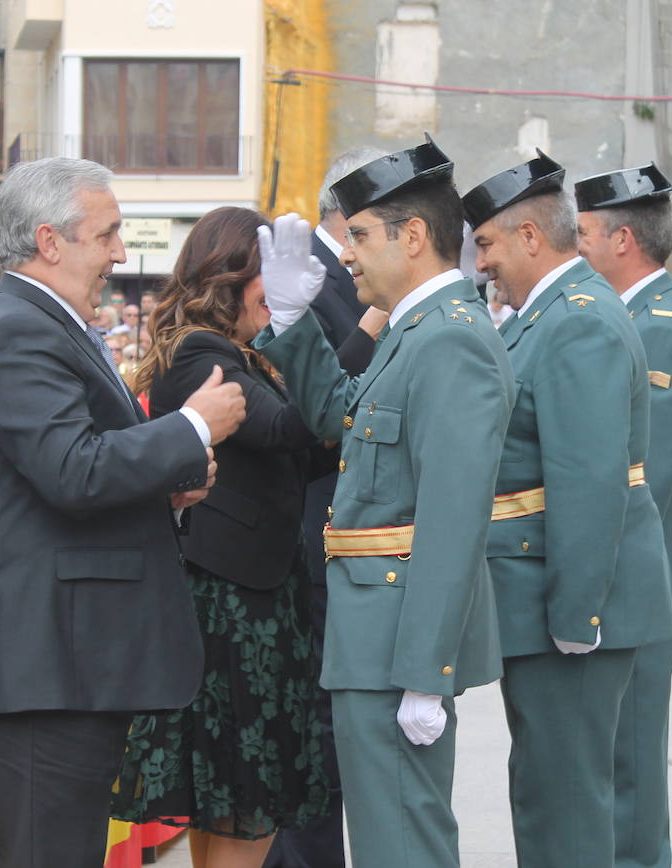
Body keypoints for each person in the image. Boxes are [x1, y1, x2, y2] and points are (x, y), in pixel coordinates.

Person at [0, 157, 245, 868]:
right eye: (107, 235)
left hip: (64, 656)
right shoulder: (23, 328)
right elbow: (72, 470)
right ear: (50, 241)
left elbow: (62, 475)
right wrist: (192, 427)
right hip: (44, 659)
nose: (118, 253)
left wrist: (162, 489)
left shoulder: (47, 321)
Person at [253, 137, 514, 868]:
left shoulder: (448, 342)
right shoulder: (417, 333)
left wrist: (425, 674)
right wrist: (294, 323)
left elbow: (453, 523)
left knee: (402, 840)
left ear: (415, 236)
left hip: (397, 639)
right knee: (383, 837)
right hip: (374, 633)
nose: (349, 255)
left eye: (360, 237)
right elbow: (341, 417)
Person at [468, 153, 672, 867]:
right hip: (543, 607)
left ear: (530, 236)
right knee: (547, 796)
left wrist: (574, 616)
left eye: (488, 244)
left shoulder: (577, 320)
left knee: (568, 812)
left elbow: (589, 484)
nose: (483, 262)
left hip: (572, 616)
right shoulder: (548, 315)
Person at [113, 207, 332, 867]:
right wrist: (370, 325)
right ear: (231, 274)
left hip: (260, 592)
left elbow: (309, 450)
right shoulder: (197, 352)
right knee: (246, 805)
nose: (281, 290)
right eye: (272, 275)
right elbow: (285, 430)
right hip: (232, 608)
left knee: (235, 807)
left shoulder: (245, 351)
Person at [571, 162, 672, 868]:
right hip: (633, 581)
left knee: (628, 766)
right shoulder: (633, 318)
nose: (576, 245)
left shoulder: (658, 330)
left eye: (585, 232)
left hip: (639, 585)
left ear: (623, 239)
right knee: (619, 759)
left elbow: (640, 481)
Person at [266, 147, 391, 868]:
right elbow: (312, 408)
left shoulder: (341, 274)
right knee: (313, 733)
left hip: (339, 528)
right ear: (350, 217)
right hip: (312, 525)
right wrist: (374, 319)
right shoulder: (308, 279)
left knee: (328, 732)